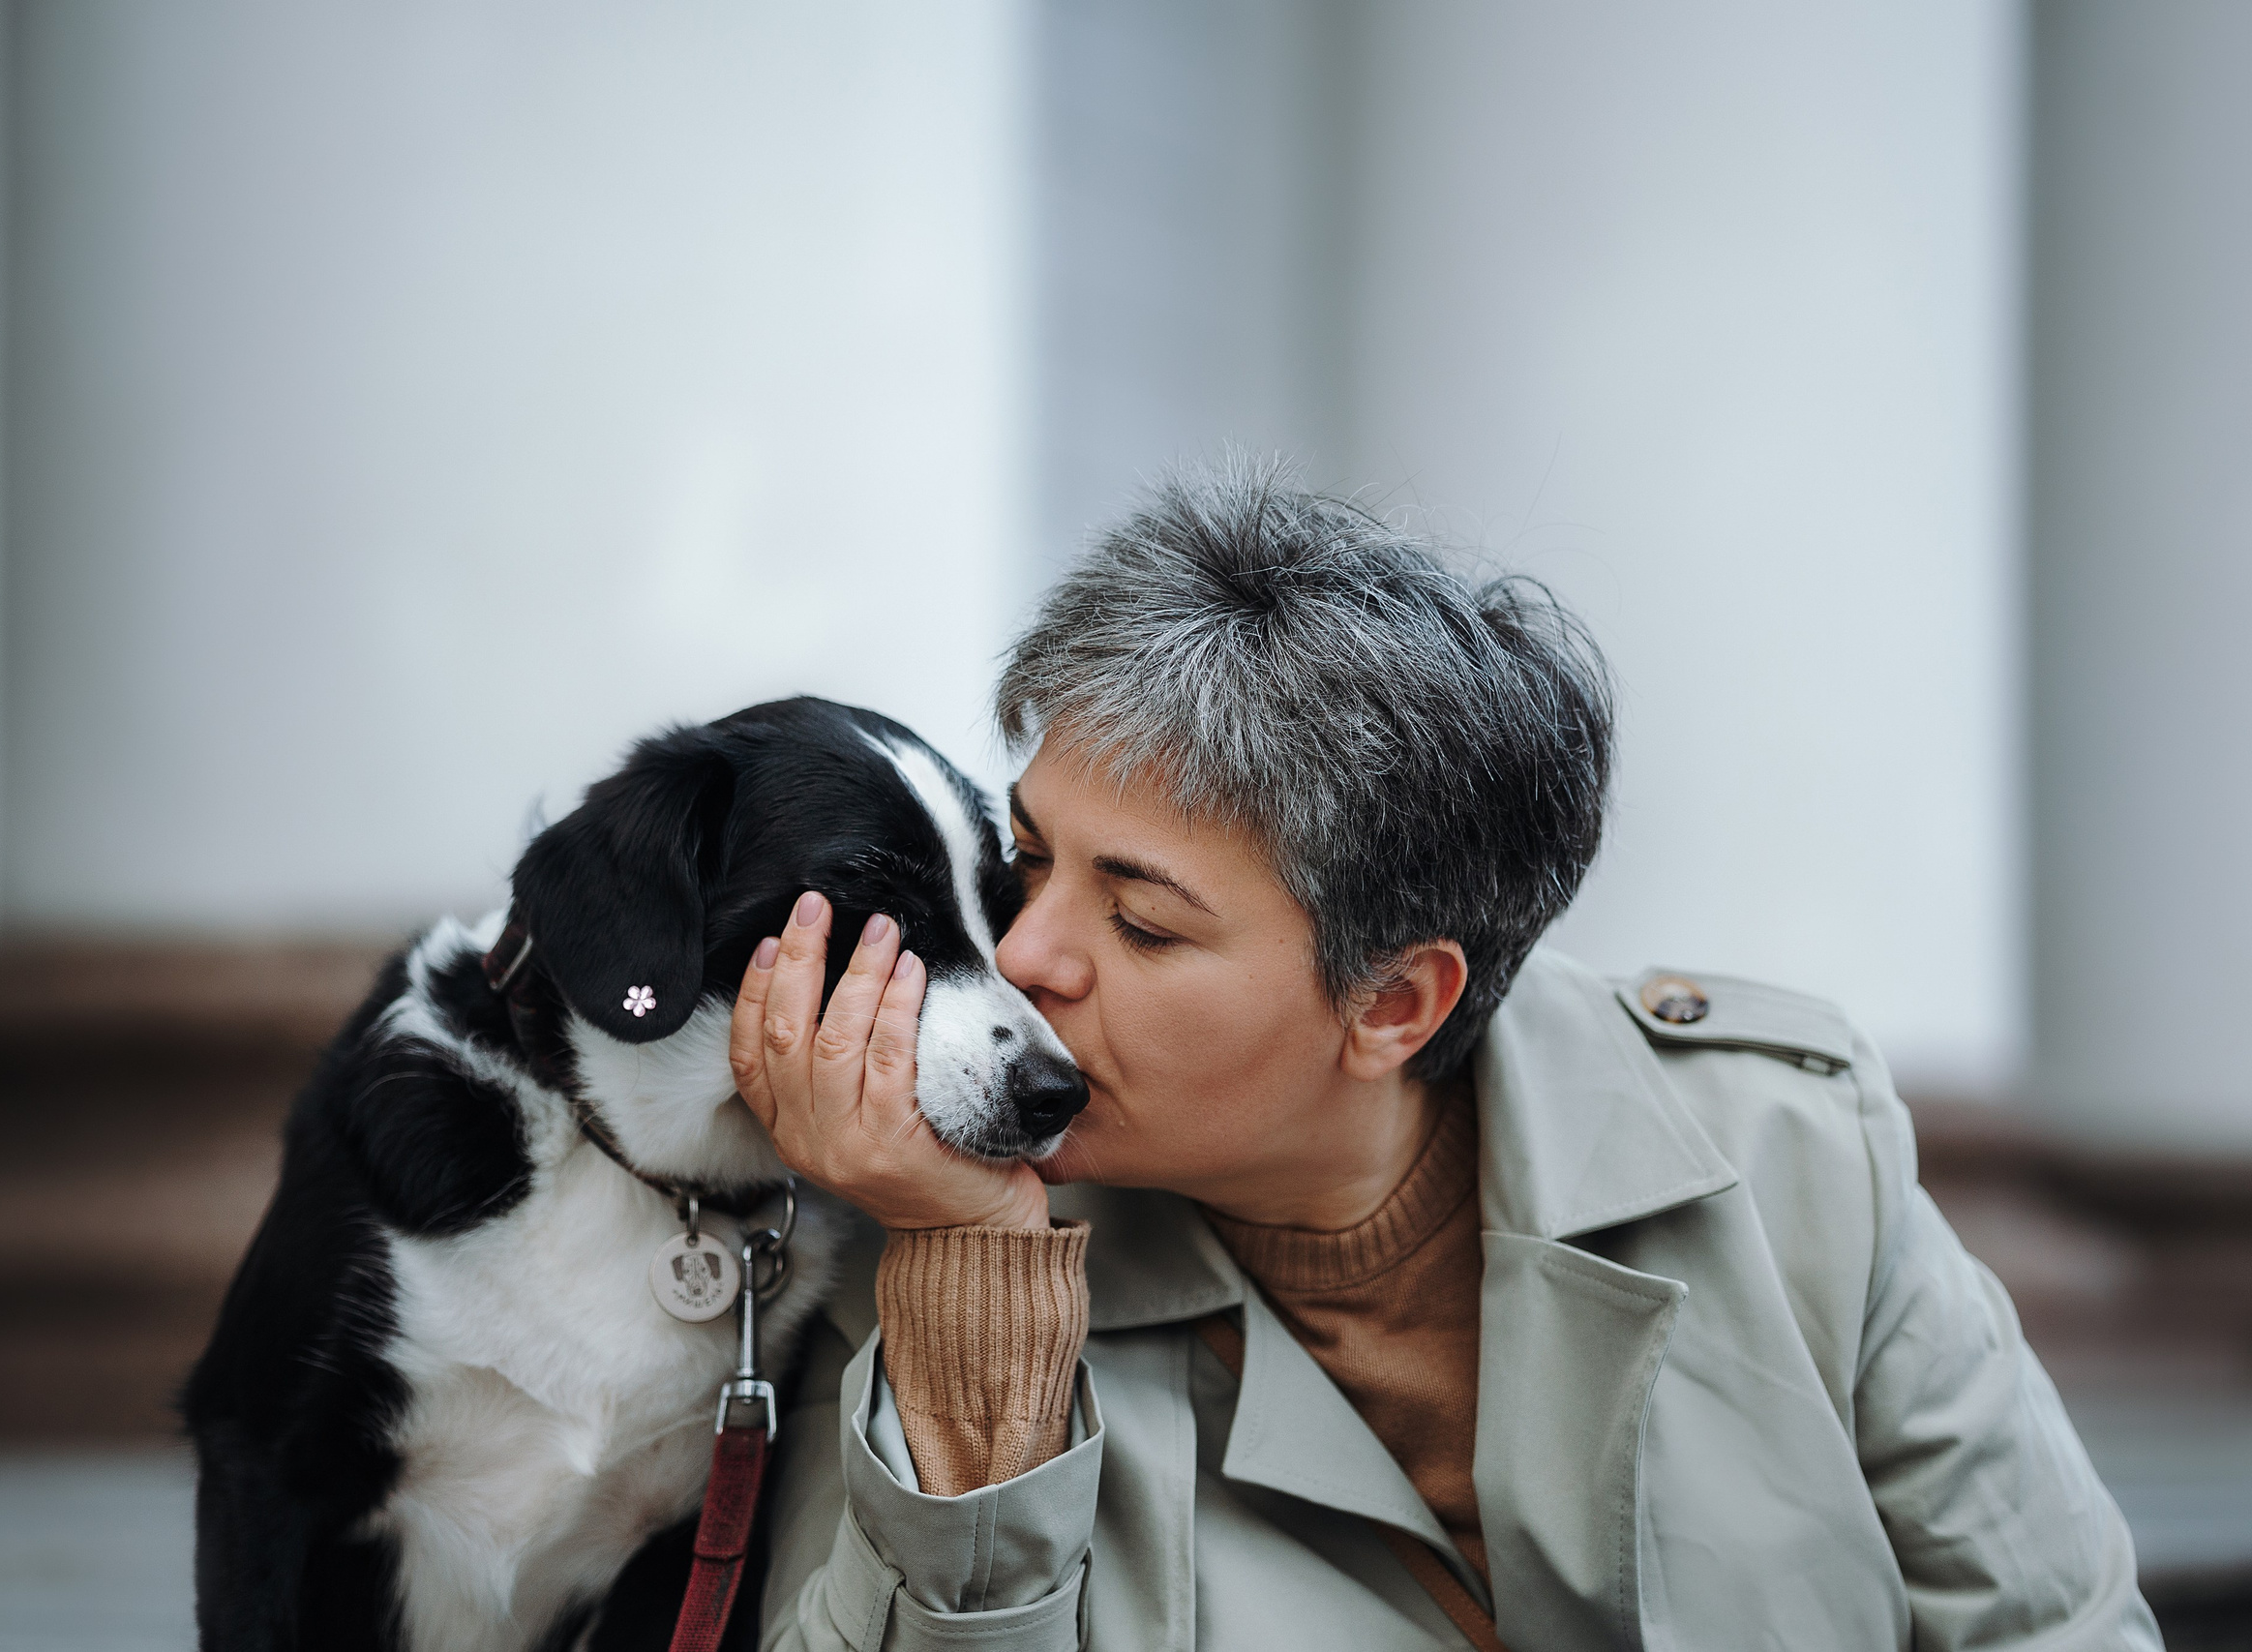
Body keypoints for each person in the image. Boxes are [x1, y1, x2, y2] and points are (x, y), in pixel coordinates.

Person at [726, 461, 2159, 1650]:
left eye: (1143, 922)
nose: (1025, 957)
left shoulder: (1790, 1159)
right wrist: (971, 1278)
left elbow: (2057, 1629)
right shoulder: (929, 1237)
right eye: (1028, 861)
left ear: (1398, 1004)